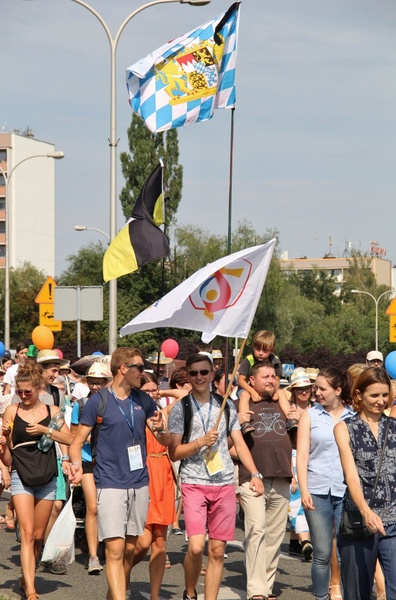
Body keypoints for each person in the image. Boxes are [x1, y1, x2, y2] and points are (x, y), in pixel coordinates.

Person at [68, 347, 165, 600]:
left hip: (139, 482)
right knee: (114, 549)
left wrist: (162, 428)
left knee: (132, 548)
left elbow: (162, 437)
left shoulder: (144, 400)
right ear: (123, 369)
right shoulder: (97, 402)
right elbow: (76, 442)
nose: (143, 374)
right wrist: (76, 465)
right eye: (139, 368)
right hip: (109, 482)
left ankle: (114, 595)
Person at [168, 353, 264, 600]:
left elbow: (240, 445)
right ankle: (190, 593)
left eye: (204, 372)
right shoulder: (181, 409)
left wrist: (255, 473)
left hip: (223, 483)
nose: (199, 377)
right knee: (197, 546)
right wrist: (200, 442)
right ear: (188, 377)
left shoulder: (226, 405)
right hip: (193, 482)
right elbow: (175, 452)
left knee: (218, 551)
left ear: (212, 374)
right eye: (193, 373)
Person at [0, 363, 72, 600]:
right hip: (22, 476)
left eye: (27, 392)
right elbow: (9, 455)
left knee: (39, 536)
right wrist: (1, 447)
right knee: (28, 533)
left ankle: (25, 576)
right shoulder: (12, 412)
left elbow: (69, 438)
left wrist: (44, 430)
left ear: (39, 388)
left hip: (47, 477)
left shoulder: (53, 411)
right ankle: (31, 590)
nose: (22, 396)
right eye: (19, 392)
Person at [334, 367, 396, 600]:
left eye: (384, 395)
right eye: (374, 396)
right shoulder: (344, 428)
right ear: (359, 395)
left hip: (393, 522)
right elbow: (351, 475)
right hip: (359, 522)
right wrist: (365, 511)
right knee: (357, 593)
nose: (381, 401)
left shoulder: (394, 427)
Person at [237, 360, 293, 600]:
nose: (271, 379)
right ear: (252, 381)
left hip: (282, 475)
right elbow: (231, 445)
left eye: (274, 376)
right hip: (252, 478)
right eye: (265, 376)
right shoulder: (243, 403)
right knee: (257, 530)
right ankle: (256, 590)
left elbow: (300, 441)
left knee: (274, 535)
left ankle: (266, 586)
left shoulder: (284, 403)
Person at [296, 367, 354, 600]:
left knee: (344, 552)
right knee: (321, 552)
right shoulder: (310, 415)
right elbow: (302, 455)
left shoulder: (353, 416)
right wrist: (304, 489)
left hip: (346, 491)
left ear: (337, 390)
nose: (316, 392)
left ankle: (344, 592)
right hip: (317, 490)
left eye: (322, 388)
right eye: (315, 388)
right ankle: (321, 596)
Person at [132, 372, 175, 600]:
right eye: (146, 390)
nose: (151, 394)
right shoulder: (134, 414)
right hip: (143, 473)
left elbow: (185, 394)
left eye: (154, 390)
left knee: (160, 540)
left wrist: (163, 392)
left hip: (163, 474)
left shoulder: (163, 413)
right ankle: (124, 570)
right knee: (142, 542)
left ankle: (155, 595)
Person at [70, 361, 111, 574]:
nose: (95, 387)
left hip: (108, 461)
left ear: (107, 383)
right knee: (93, 507)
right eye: (92, 383)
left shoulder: (114, 404)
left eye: (100, 383)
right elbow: (74, 435)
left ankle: (102, 545)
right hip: (87, 460)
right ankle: (93, 557)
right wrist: (87, 437)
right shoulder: (82, 405)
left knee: (107, 508)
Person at [285, 369, 314, 561]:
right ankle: (305, 542)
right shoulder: (288, 410)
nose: (304, 392)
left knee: (311, 501)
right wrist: (290, 472)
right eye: (299, 389)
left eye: (307, 388)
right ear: (293, 391)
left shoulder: (318, 408)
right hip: (293, 456)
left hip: (314, 458)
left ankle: (296, 543)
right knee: (295, 500)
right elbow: (284, 442)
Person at [237, 330, 282, 404]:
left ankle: (288, 414)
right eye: (258, 349)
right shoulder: (248, 359)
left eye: (265, 351)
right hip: (248, 389)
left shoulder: (275, 360)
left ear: (271, 350)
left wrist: (275, 392)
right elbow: (241, 380)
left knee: (282, 393)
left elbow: (276, 380)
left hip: (268, 389)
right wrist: (252, 392)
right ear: (253, 347)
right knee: (244, 395)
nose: (260, 353)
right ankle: (243, 414)